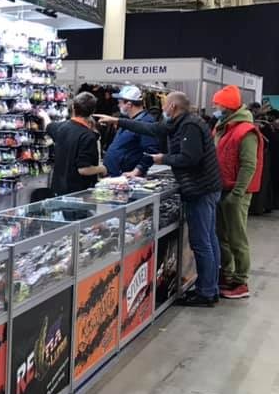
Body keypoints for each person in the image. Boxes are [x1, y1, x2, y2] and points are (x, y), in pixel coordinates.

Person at [97, 92, 222, 307]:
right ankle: (210, 287)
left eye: (164, 104)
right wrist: (118, 121)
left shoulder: (189, 126)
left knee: (202, 242)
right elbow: (151, 129)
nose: (162, 108)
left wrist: (162, 158)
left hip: (201, 190)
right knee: (209, 239)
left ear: (172, 106)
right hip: (203, 188)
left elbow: (190, 158)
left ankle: (206, 293)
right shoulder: (180, 123)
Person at [211, 85, 264, 300]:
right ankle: (228, 274)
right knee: (222, 236)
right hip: (222, 189)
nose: (215, 108)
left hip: (235, 193)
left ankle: (241, 282)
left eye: (218, 104)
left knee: (237, 238)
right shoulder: (222, 127)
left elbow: (249, 165)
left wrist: (237, 194)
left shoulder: (246, 131)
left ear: (228, 106)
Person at [42, 91, 106, 196]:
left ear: (73, 107)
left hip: (58, 189)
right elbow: (84, 169)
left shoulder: (61, 127)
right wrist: (102, 168)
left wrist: (43, 115)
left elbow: (48, 126)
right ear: (93, 111)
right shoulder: (88, 136)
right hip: (78, 193)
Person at [103, 85, 160, 178]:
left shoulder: (145, 123)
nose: (118, 105)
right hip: (117, 175)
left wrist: (136, 171)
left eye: (120, 103)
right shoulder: (129, 121)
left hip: (127, 176)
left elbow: (151, 151)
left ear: (129, 104)